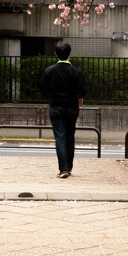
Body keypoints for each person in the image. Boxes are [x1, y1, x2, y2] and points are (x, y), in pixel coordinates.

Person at [40, 41, 87, 178]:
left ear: (56, 54)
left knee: (60, 137)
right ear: (70, 54)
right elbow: (82, 91)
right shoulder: (76, 72)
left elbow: (43, 89)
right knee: (69, 136)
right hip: (72, 107)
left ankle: (63, 168)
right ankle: (69, 167)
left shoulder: (50, 70)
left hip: (55, 107)